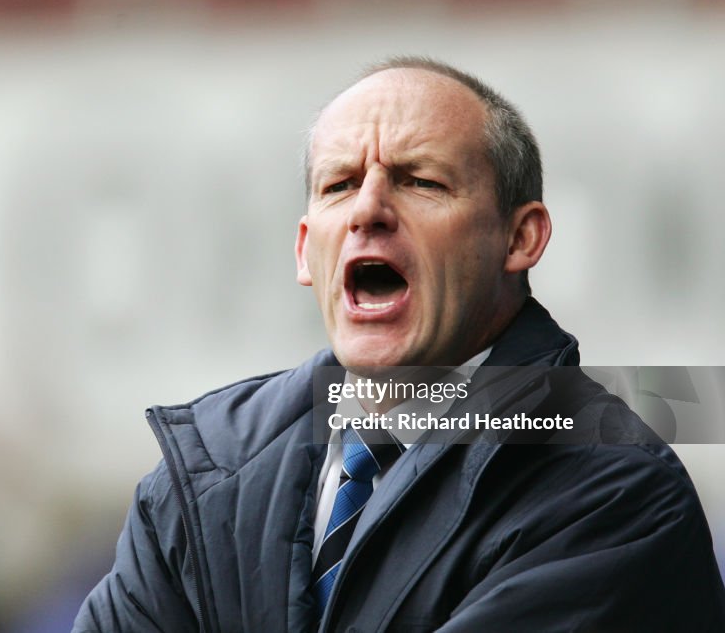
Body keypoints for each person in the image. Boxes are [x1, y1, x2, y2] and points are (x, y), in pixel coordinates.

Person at [72, 57, 725, 632]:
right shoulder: (200, 480)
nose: (369, 208)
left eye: (421, 180)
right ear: (305, 249)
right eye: (339, 184)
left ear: (520, 239)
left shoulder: (615, 490)